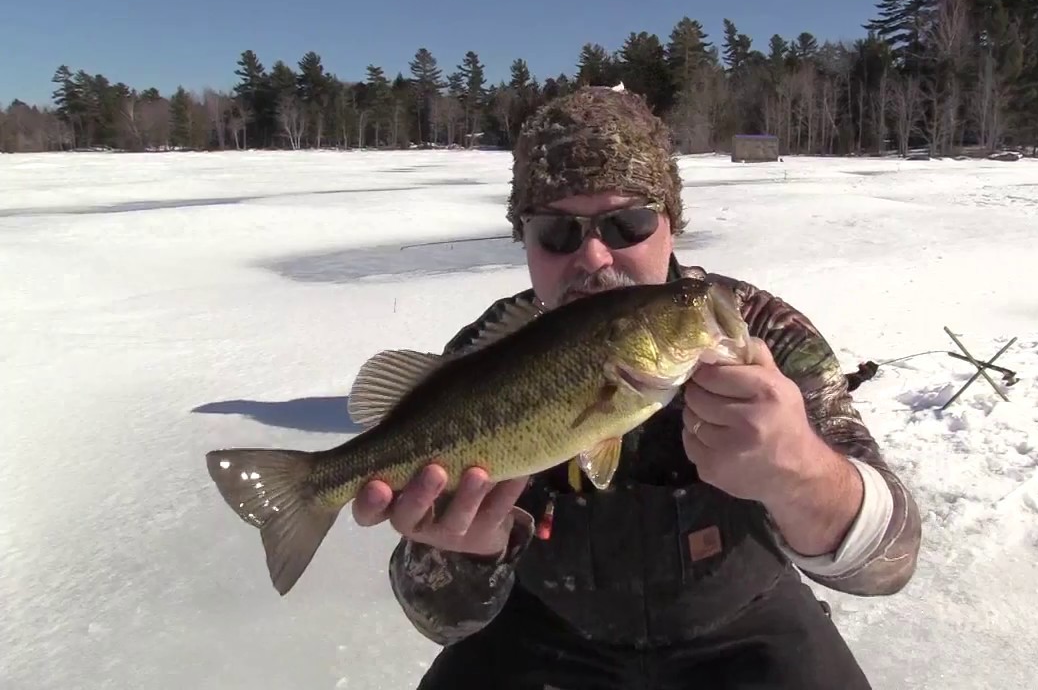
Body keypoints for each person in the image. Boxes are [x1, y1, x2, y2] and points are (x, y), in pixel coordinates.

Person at [351, 86, 922, 690]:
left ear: (670, 226)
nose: (595, 257)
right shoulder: (488, 352)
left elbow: (890, 562)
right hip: (545, 633)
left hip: (746, 627)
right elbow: (440, 618)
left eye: (628, 223)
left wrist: (804, 473)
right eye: (557, 232)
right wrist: (461, 555)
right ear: (526, 241)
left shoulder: (757, 331)